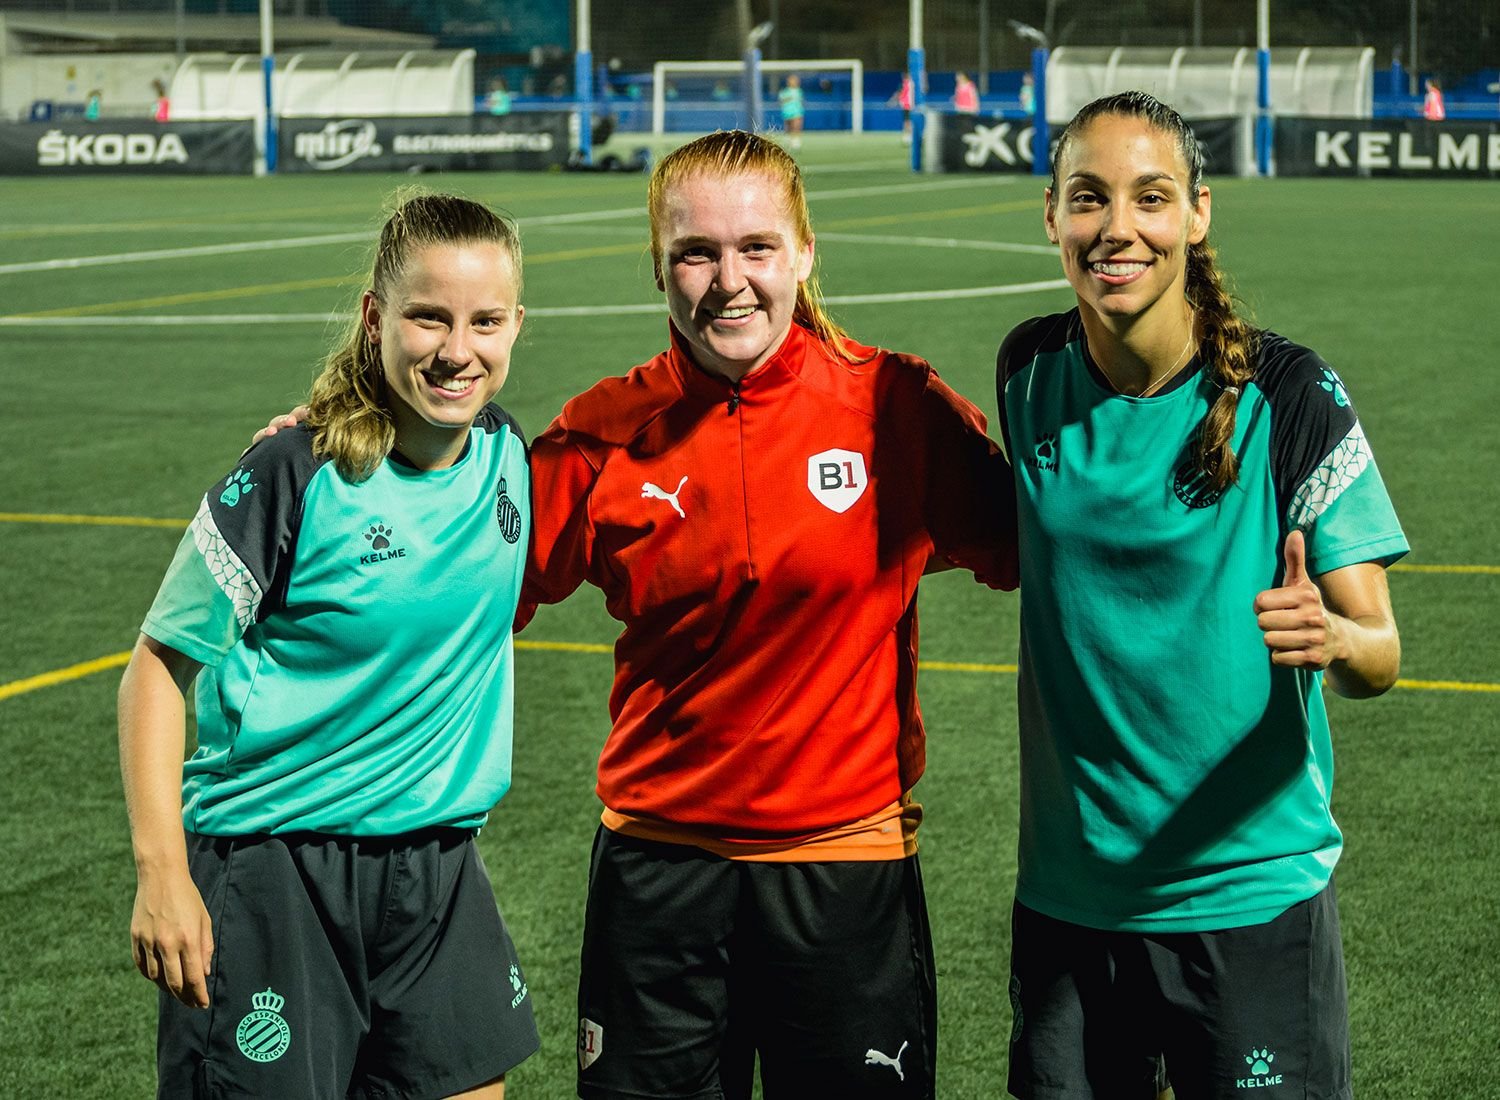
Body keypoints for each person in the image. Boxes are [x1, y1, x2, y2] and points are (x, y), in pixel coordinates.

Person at [523, 129, 1017, 1099]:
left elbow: (1050, 553)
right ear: (658, 267)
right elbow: (462, 591)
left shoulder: (896, 408)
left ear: (803, 252)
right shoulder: (599, 433)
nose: (728, 279)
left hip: (842, 873)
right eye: (696, 252)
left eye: (755, 247)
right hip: (657, 875)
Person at [996, 91, 1407, 1100]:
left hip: (1247, 899)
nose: (1117, 228)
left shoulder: (1292, 394)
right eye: (1088, 199)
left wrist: (1333, 635)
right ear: (1051, 215)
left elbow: (1381, 653)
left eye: (1151, 197)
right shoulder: (1027, 371)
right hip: (1070, 905)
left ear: (1197, 213)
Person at [119, 193, 540, 1099]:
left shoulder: (510, 457)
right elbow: (156, 671)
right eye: (428, 316)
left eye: (485, 321)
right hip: (276, 868)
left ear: (516, 326)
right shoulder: (293, 469)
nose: (456, 349)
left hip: (436, 867)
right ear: (375, 317)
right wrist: (161, 874)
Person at [777, 73, 805, 149]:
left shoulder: (799, 91)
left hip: (797, 112)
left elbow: (800, 101)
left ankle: (796, 141)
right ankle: (789, 140)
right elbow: (781, 100)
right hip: (787, 112)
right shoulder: (784, 92)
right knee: (788, 127)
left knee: (796, 126)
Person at [893, 72, 916, 143]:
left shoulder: (906, 84)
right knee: (908, 120)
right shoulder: (912, 84)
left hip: (907, 105)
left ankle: (908, 135)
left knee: (907, 121)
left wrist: (893, 101)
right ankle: (909, 134)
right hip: (910, 105)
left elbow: (899, 94)